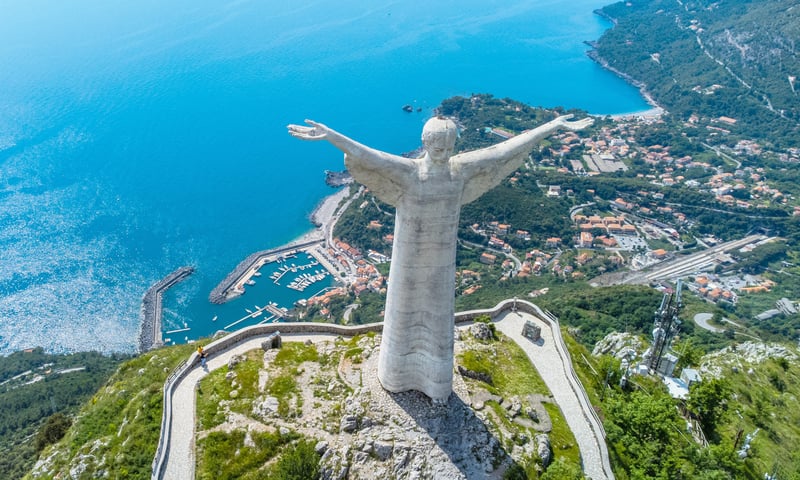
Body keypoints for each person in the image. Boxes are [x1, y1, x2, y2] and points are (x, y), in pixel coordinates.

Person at [288, 113, 592, 401]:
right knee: (403, 310)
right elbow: (370, 156)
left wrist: (552, 126)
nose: (443, 152)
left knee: (437, 315)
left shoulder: (459, 170)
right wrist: (330, 136)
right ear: (425, 142)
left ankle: (435, 386)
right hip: (407, 260)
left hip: (441, 265)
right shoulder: (410, 173)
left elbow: (503, 151)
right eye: (438, 146)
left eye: (448, 147)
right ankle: (395, 377)